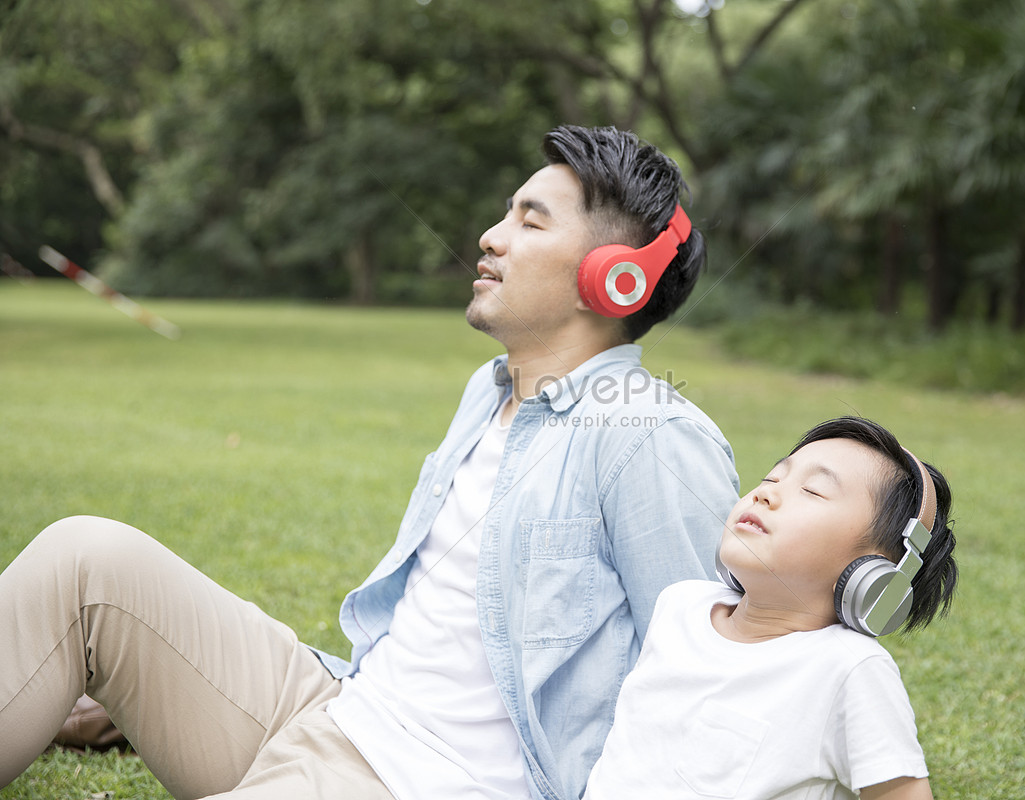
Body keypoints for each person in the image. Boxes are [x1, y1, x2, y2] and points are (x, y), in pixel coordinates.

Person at [0, 125, 740, 800]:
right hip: (336, 705)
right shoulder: (491, 393)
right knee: (85, 558)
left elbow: (706, 687)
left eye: (530, 220)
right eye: (506, 212)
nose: (490, 236)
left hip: (413, 780)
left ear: (615, 276)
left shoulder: (651, 435)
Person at [583, 416, 959, 800]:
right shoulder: (680, 605)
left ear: (876, 575)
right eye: (772, 478)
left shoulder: (848, 669)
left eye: (813, 491)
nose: (765, 494)